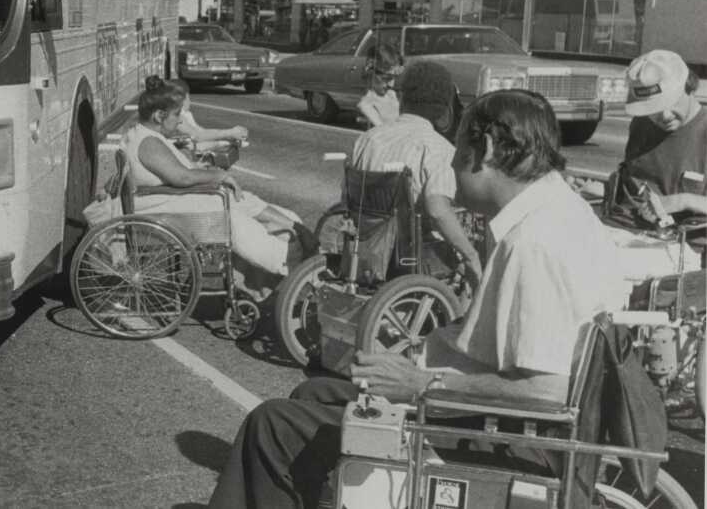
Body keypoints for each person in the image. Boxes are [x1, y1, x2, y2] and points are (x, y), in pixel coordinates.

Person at [207, 89, 627, 509]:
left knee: (272, 426)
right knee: (312, 396)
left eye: (458, 150)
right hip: (501, 421)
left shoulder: (535, 243)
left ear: (486, 150)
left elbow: (548, 390)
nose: (452, 164)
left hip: (506, 439)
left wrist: (420, 382)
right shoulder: (558, 211)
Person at [122, 76, 316, 278]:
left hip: (165, 202)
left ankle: (292, 233)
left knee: (239, 202)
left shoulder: (141, 134)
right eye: (177, 114)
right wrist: (218, 175)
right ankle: (288, 259)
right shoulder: (149, 143)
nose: (180, 120)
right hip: (163, 209)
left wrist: (207, 173)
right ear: (159, 116)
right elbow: (182, 178)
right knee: (233, 219)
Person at [351, 61, 482, 291]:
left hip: (363, 249)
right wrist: (470, 255)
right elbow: (437, 210)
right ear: (444, 109)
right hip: (413, 258)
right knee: (471, 249)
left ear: (403, 100)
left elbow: (347, 196)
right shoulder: (438, 149)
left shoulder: (367, 139)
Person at [621, 50, 706, 242]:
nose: (665, 116)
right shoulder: (640, 125)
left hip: (689, 249)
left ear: (689, 88)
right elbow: (632, 183)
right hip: (633, 234)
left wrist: (682, 201)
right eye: (654, 109)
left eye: (672, 103)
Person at [355, 43, 403, 128]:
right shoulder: (366, 105)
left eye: (394, 78)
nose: (391, 85)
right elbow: (383, 133)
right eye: (386, 78)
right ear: (370, 73)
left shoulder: (392, 95)